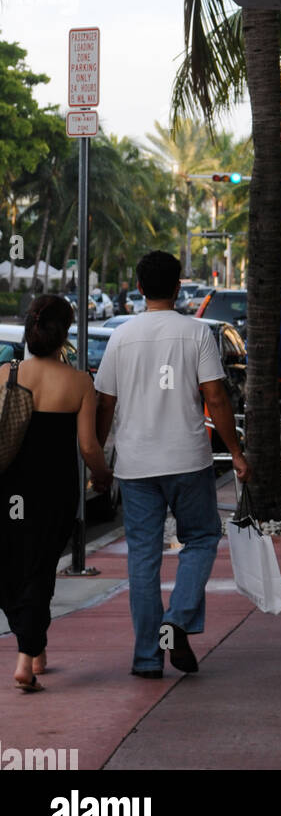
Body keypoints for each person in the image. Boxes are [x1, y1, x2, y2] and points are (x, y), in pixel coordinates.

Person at [94, 250, 249, 679]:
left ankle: (147, 658)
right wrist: (236, 452)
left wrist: (100, 458)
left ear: (139, 288)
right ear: (178, 287)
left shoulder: (121, 338)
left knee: (142, 558)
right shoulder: (195, 333)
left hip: (135, 463)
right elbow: (215, 398)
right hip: (187, 458)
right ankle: (176, 620)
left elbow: (104, 403)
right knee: (200, 538)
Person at [0, 295, 111, 691]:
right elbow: (88, 446)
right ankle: (26, 659)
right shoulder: (79, 382)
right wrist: (102, 477)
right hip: (55, 492)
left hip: (10, 492)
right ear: (63, 336)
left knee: (14, 567)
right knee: (41, 569)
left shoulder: (6, 374)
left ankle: (34, 648)